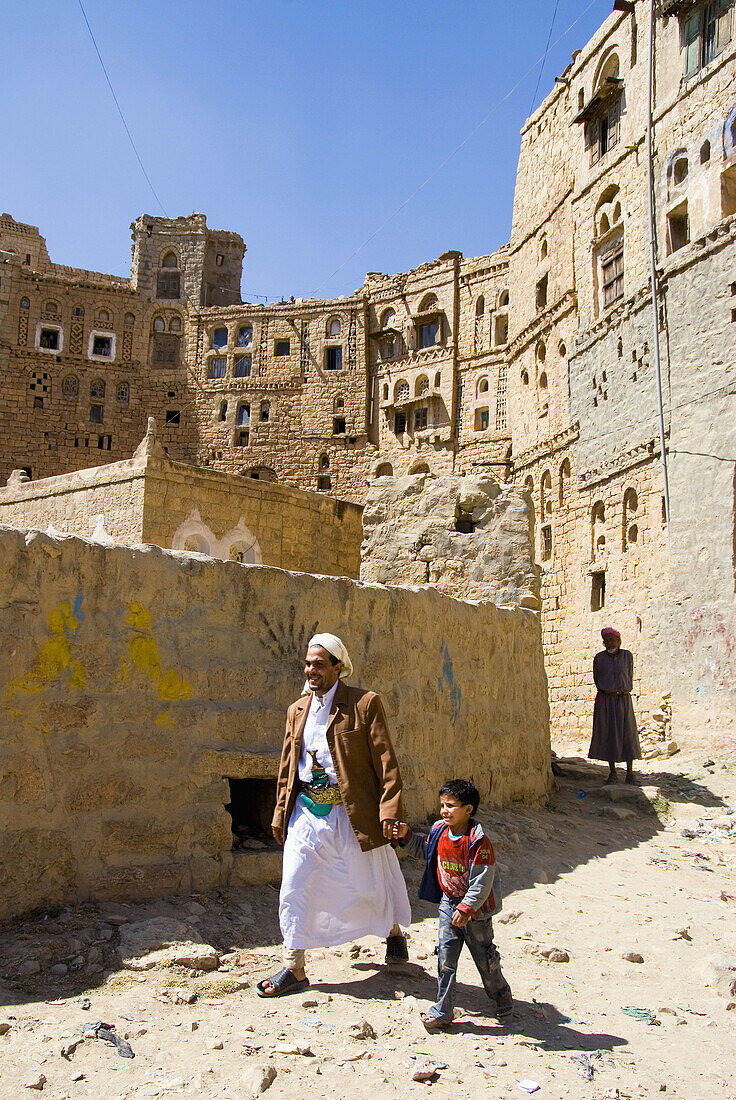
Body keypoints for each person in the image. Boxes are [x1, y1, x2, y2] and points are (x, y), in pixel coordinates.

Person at [256, 632, 411, 998]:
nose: (311, 670)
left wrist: (389, 810)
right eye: (308, 664)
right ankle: (294, 966)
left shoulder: (364, 704)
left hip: (351, 813)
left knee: (369, 881)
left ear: (338, 667)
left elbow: (386, 763)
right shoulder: (297, 709)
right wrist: (280, 812)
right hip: (306, 813)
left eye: (319, 664)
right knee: (294, 884)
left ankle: (392, 932)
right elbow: (286, 766)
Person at [393, 779, 512, 1032]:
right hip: (449, 905)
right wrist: (406, 836)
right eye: (442, 805)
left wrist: (467, 908)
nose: (444, 810)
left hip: (475, 912)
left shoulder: (478, 842)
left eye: (451, 806)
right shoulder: (439, 832)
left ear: (468, 809)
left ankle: (500, 992)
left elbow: (481, 880)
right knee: (446, 960)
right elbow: (425, 850)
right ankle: (443, 1011)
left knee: (484, 957)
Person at [588, 626, 641, 785]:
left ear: (619, 641)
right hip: (606, 700)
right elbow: (597, 679)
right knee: (609, 734)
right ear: (604, 643)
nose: (610, 643)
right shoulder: (599, 659)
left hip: (623, 700)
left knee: (628, 734)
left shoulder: (627, 656)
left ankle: (630, 774)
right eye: (607, 641)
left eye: (613, 640)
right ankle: (612, 773)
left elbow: (629, 676)